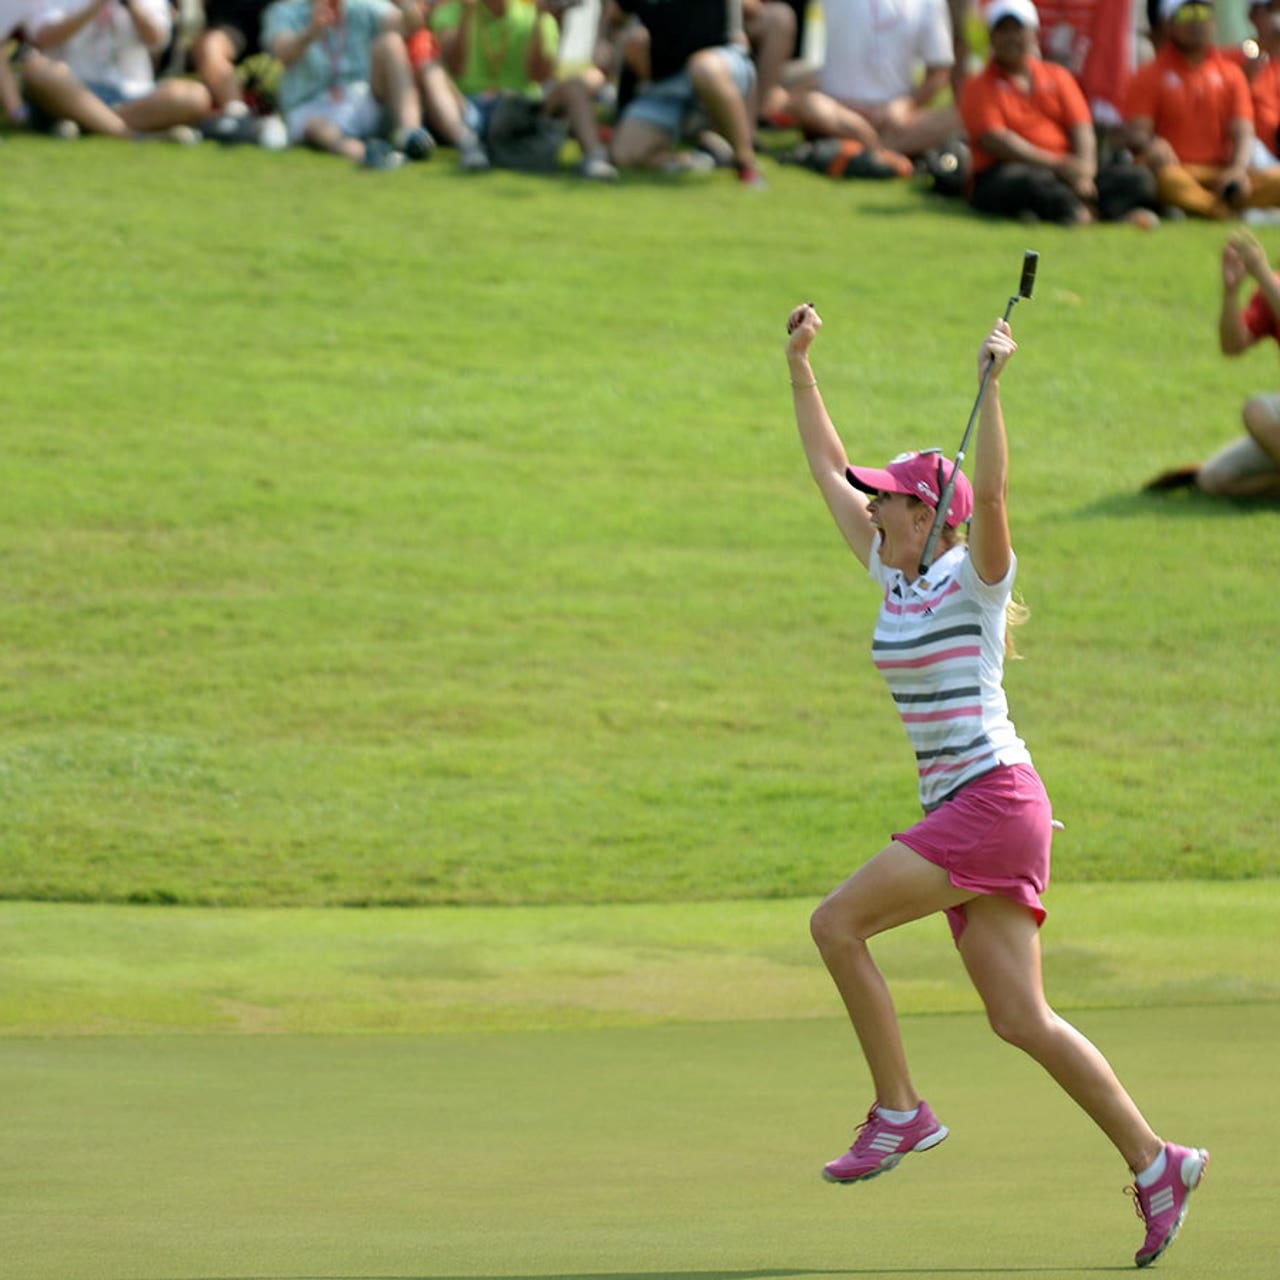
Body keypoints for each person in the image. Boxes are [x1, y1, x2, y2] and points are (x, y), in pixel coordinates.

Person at [783, 297, 1209, 1269]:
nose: (870, 503)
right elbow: (822, 465)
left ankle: (898, 1109)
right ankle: (1156, 1161)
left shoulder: (969, 579)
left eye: (886, 497)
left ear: (929, 515)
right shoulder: (889, 576)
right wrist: (799, 365)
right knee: (1019, 1015)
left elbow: (998, 492)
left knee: (833, 924)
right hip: (979, 813)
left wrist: (991, 386)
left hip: (991, 800)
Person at [959, 0, 1157, 225]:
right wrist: (1057, 166)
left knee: (1138, 178)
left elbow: (1082, 128)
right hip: (1009, 170)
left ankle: (1077, 210)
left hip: (1065, 171)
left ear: (1034, 33)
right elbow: (995, 141)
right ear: (992, 38)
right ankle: (1087, 211)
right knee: (1028, 183)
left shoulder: (1058, 76)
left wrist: (1084, 171)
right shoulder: (979, 85)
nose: (1012, 38)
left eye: (1018, 30)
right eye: (1003, 31)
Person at [1147, 227, 1280, 496]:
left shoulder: (1270, 284)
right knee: (1213, 479)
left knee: (1256, 410)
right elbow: (1232, 346)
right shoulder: (1272, 287)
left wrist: (1262, 274)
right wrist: (1231, 293)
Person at [1123, 0, 1280, 219]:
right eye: (1187, 13)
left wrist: (1238, 169)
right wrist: (1151, 143)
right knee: (1165, 181)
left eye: (1203, 12)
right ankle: (1222, 211)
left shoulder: (1231, 74)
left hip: (1222, 174)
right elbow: (1135, 132)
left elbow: (1243, 132)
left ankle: (1208, 206)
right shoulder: (1149, 74)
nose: (1197, 21)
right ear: (1169, 24)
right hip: (1179, 172)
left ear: (1213, 22)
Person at [431, 0, 616, 180]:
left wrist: (539, 21)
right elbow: (455, 66)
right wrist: (467, 15)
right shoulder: (452, 11)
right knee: (432, 70)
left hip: (519, 108)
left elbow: (539, 75)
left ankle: (594, 158)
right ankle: (467, 144)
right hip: (469, 108)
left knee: (578, 83)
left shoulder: (533, 14)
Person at [605, 0, 765, 187]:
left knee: (704, 68)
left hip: (721, 61)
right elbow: (617, 17)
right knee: (624, 154)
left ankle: (745, 163)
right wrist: (616, 45)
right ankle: (706, 158)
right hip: (667, 80)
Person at [262, 0, 435, 168]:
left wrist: (404, 3)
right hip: (311, 105)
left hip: (360, 98)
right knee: (317, 127)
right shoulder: (285, 11)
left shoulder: (362, 4)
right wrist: (311, 32)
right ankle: (369, 154)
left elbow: (411, 27)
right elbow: (282, 54)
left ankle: (411, 135)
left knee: (391, 42)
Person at [785, 0, 960, 162]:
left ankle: (860, 148)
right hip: (837, 111)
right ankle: (877, 149)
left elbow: (939, 71)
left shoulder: (929, 3)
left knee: (960, 119)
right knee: (811, 105)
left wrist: (906, 104)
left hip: (892, 120)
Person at [20, 0, 213, 140]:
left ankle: (88, 123)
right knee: (37, 70)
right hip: (74, 89)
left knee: (195, 96)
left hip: (135, 94)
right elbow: (43, 38)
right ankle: (133, 135)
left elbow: (158, 41)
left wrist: (132, 5)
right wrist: (94, 6)